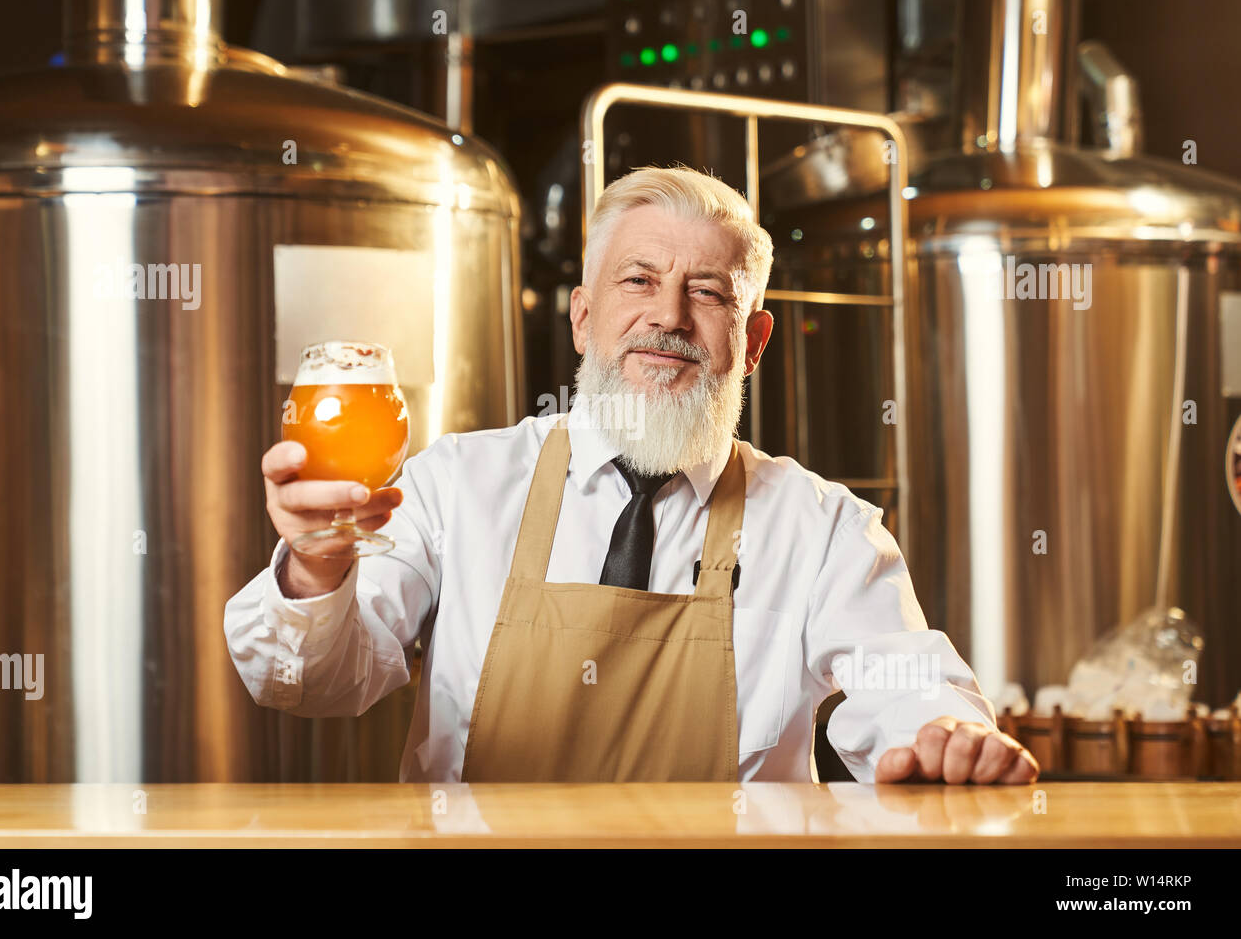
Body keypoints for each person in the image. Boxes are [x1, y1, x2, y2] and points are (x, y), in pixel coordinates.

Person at [224, 165, 1040, 785]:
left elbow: (904, 675)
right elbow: (307, 684)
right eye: (639, 280)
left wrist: (945, 735)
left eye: (707, 293)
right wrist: (315, 569)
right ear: (583, 317)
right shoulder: (456, 484)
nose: (669, 317)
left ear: (752, 342)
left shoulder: (822, 528)